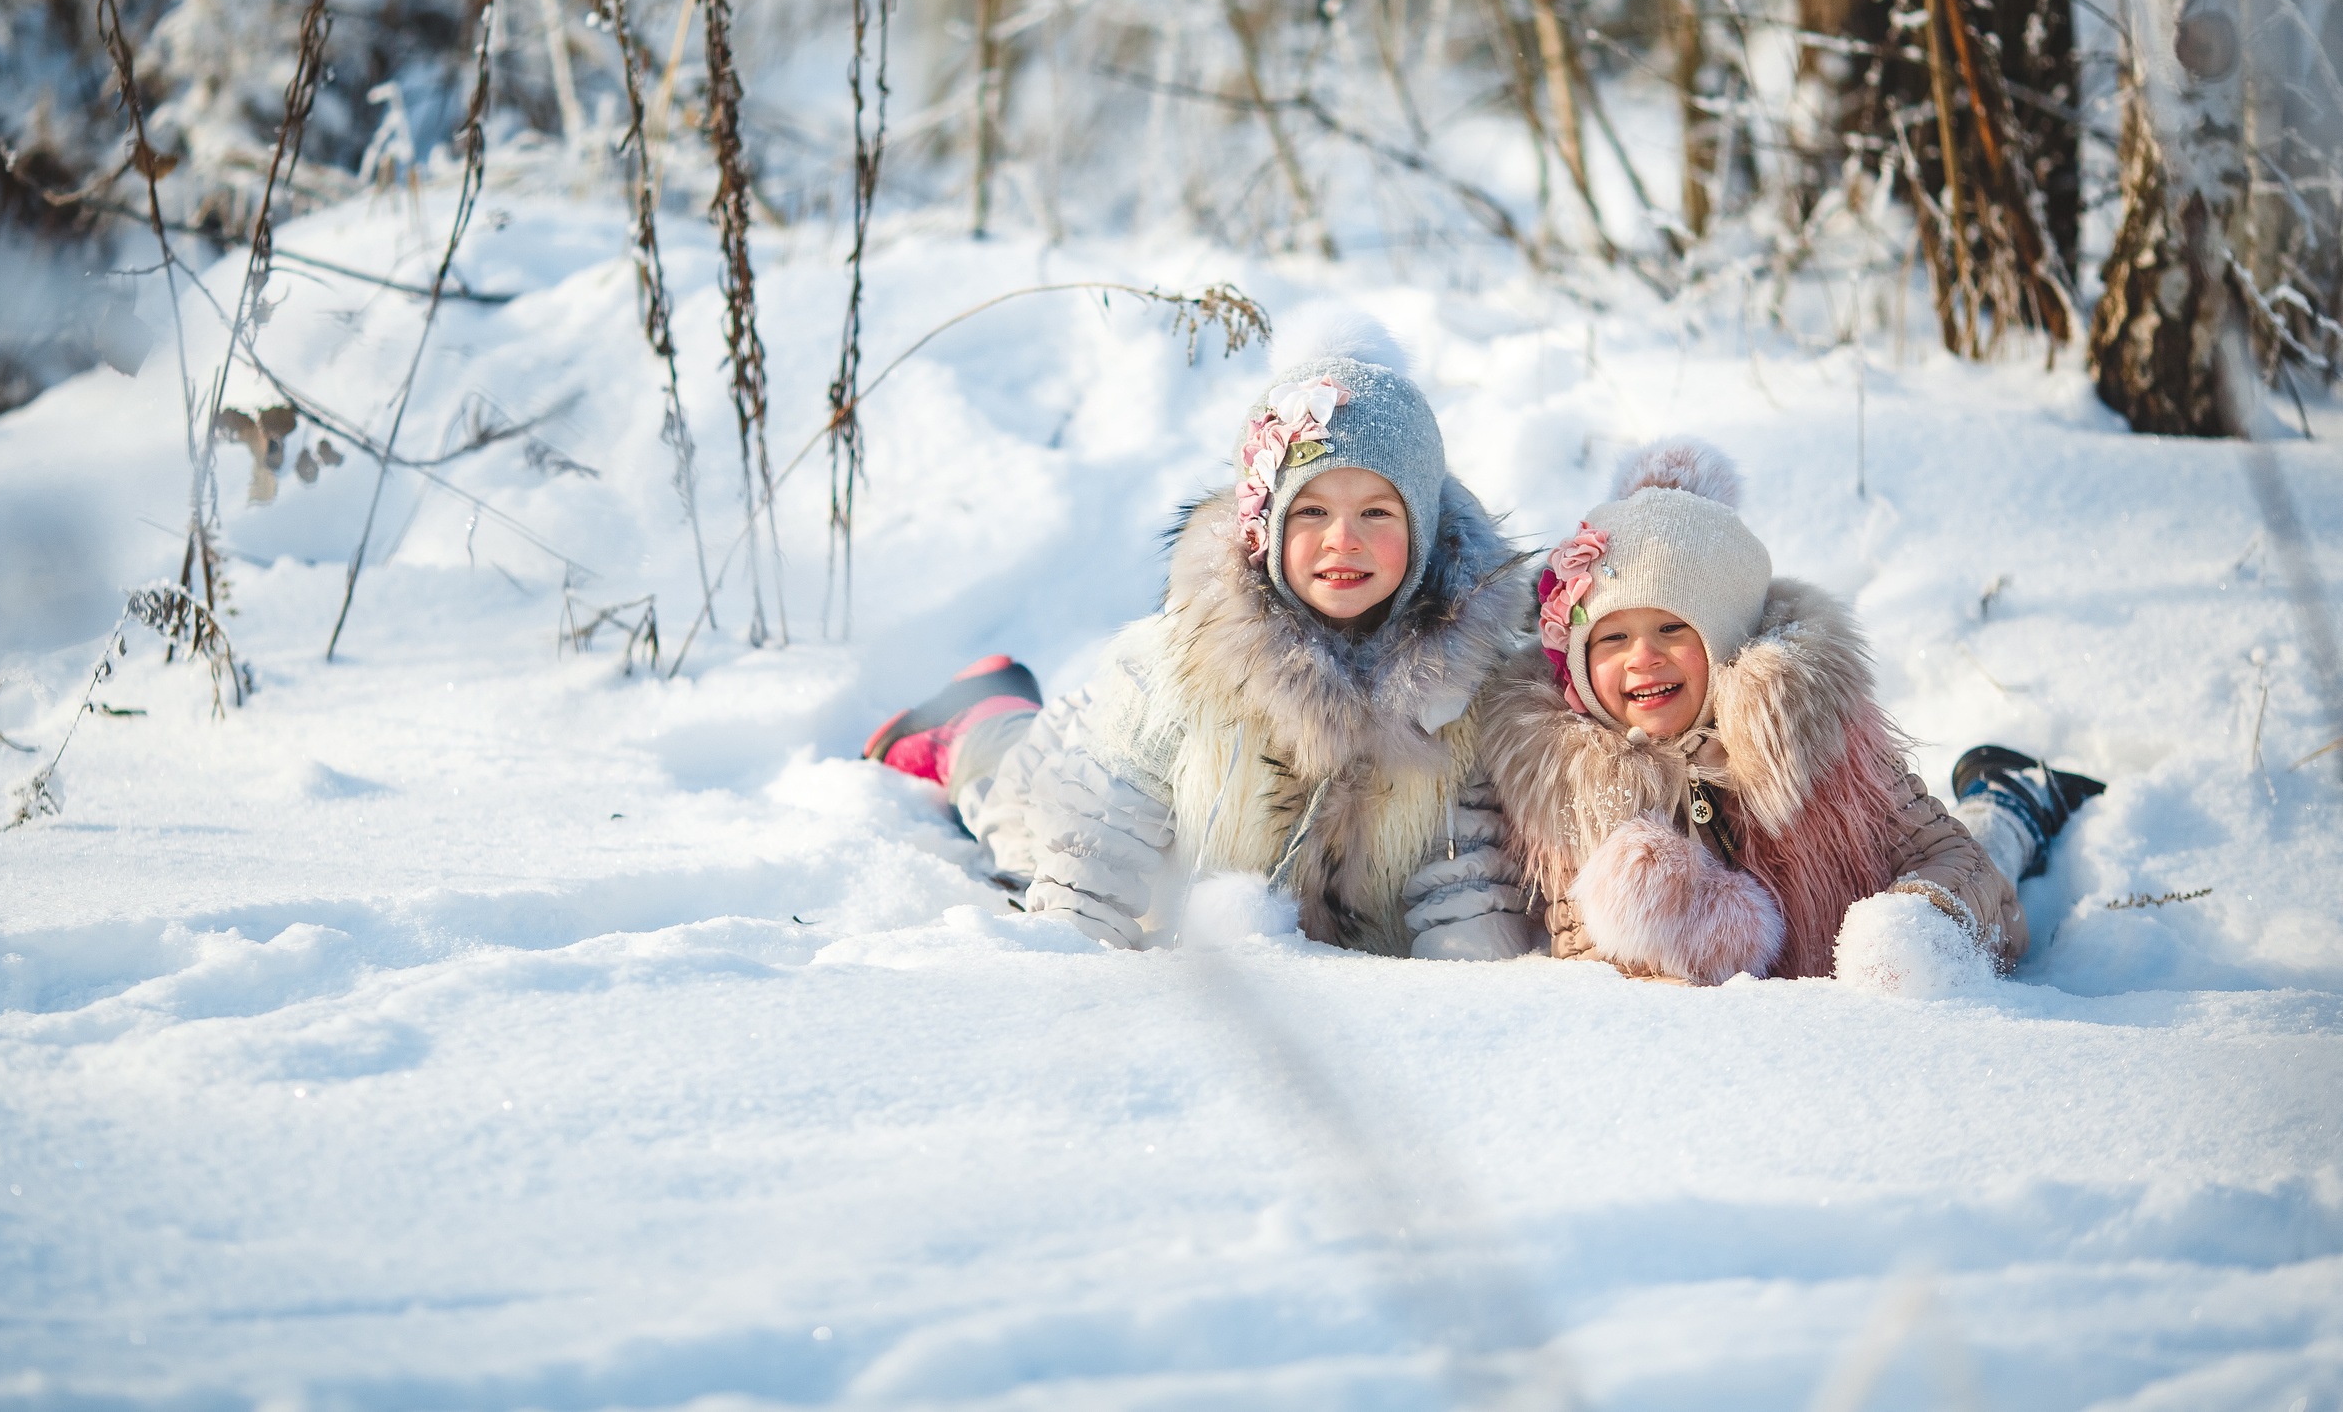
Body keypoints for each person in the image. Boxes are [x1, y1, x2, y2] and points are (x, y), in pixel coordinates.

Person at [864, 320, 1542, 956]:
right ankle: (978, 720)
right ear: (1265, 524)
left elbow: (1467, 872)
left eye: (1375, 511)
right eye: (1311, 511)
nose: (1344, 539)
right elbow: (1090, 855)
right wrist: (1069, 960)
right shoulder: (1179, 664)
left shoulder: (1467, 682)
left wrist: (1468, 990)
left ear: (1422, 527)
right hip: (1098, 780)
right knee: (1016, 808)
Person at [1471, 437, 2103, 984]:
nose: (1643, 657)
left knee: (1988, 846)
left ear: (1724, 642)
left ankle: (2008, 801)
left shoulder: (1808, 737)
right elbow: (1589, 967)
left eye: (1671, 628)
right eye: (1612, 638)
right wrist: (1683, 929)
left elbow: (1962, 870)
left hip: (1859, 975)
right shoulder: (1570, 781)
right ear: (1579, 664)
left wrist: (1917, 921)